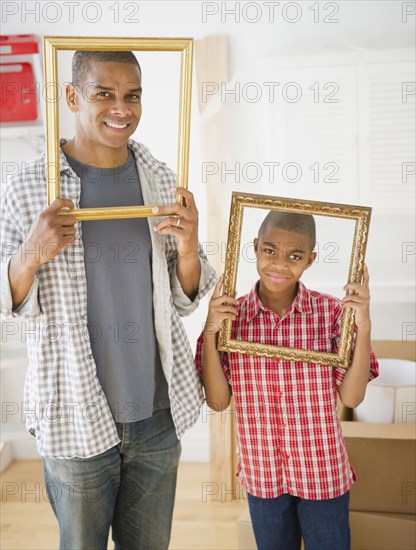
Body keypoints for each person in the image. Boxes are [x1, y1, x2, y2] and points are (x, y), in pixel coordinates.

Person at [1, 50, 216, 549]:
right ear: (73, 97)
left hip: (156, 414)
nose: (122, 107)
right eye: (104, 93)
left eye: (132, 95)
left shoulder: (160, 180)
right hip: (73, 413)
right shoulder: (31, 186)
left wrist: (188, 247)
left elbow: (185, 299)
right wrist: (32, 251)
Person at [196, 210, 379, 550]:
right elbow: (219, 402)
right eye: (270, 251)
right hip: (263, 473)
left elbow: (351, 399)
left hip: (322, 471)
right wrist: (209, 332)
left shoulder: (332, 314)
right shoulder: (230, 319)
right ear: (254, 248)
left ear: (310, 260)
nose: (280, 265)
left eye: (294, 256)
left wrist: (363, 325)